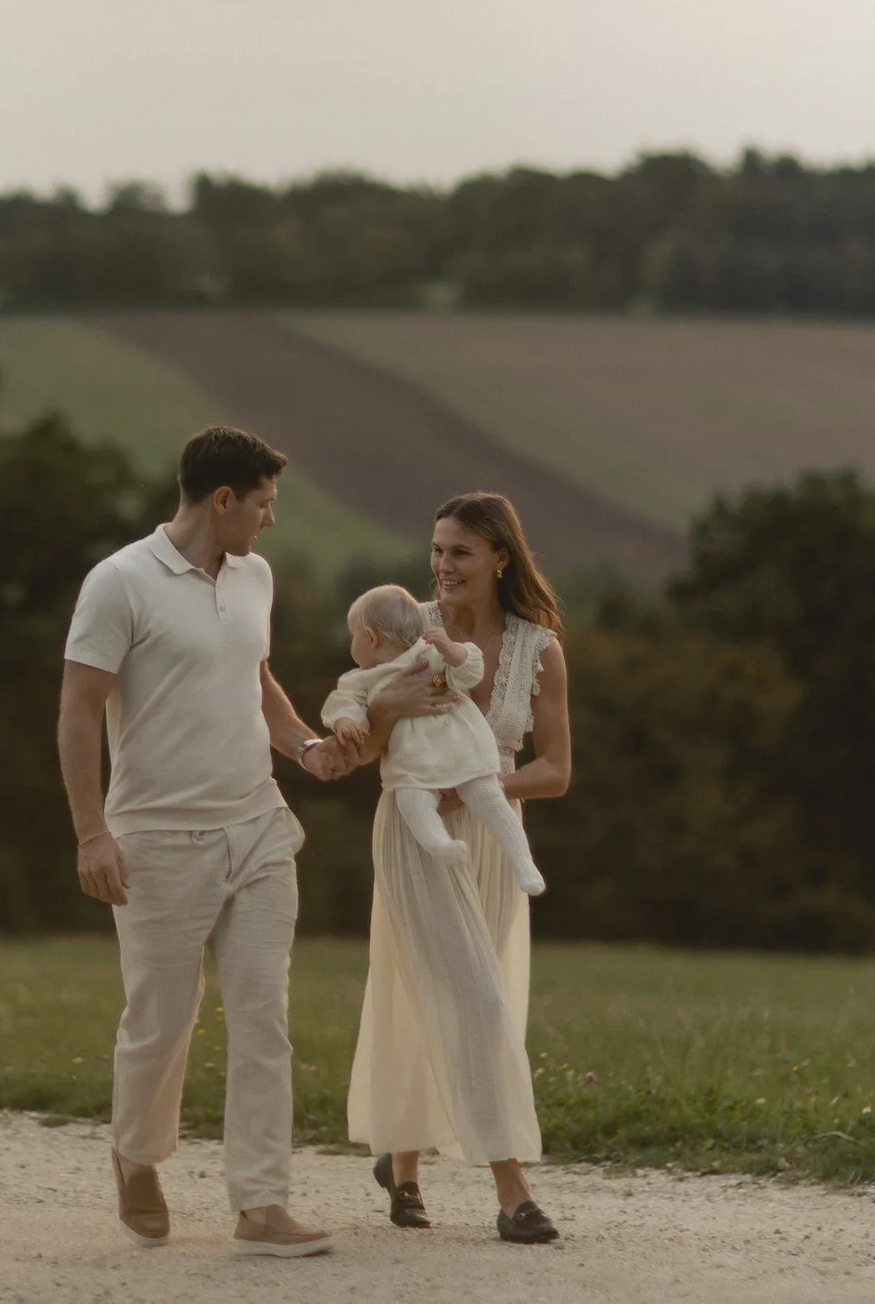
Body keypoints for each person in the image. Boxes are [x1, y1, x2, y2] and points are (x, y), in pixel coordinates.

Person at [56, 425, 346, 1258]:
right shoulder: (120, 582)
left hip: (255, 825)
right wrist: (90, 833)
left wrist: (306, 745)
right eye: (264, 504)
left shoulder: (255, 575)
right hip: (156, 840)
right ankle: (136, 1154)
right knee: (161, 1020)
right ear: (223, 500)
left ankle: (261, 1202)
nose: (271, 520)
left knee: (264, 1014)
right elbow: (79, 709)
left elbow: (255, 680)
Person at [331, 491, 574, 1246]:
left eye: (460, 552)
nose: (443, 566)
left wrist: (475, 786)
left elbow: (557, 769)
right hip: (414, 836)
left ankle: (401, 1165)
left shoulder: (539, 648)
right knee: (471, 994)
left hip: (492, 836)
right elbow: (362, 748)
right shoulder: (409, 636)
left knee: (450, 990)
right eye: (437, 550)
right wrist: (390, 710)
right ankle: (513, 1190)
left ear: (500, 557)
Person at [322, 584, 546, 895]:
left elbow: (469, 672)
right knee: (412, 800)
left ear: (371, 638)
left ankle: (523, 862)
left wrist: (451, 650)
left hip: (460, 750)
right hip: (415, 764)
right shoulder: (360, 679)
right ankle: (440, 844)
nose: (352, 644)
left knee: (490, 798)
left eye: (353, 636)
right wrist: (346, 721)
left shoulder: (429, 655)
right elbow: (344, 702)